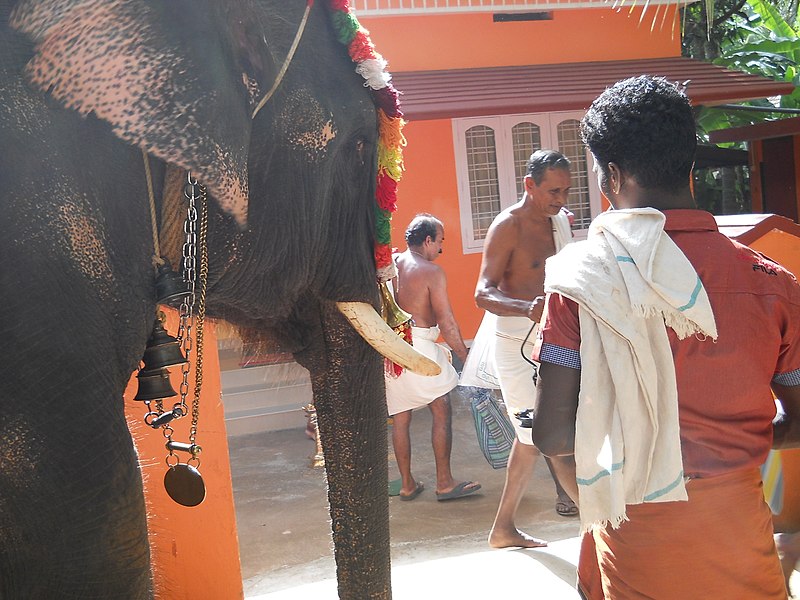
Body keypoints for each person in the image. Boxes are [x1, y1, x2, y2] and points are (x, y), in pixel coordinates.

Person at [531, 75, 800, 599]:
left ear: (611, 173)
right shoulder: (773, 284)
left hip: (636, 531)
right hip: (740, 526)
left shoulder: (582, 280)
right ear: (689, 164)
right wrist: (740, 436)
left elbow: (554, 437)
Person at [474, 149, 579, 550]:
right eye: (553, 190)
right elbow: (482, 293)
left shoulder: (561, 223)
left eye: (567, 191)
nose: (561, 199)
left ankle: (503, 529)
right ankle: (603, 527)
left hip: (556, 339)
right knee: (548, 434)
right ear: (529, 185)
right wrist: (526, 308)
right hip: (515, 344)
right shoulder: (508, 226)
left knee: (533, 436)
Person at [386, 214, 481, 501]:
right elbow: (447, 322)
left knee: (401, 417)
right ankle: (444, 482)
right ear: (427, 240)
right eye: (440, 241)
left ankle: (406, 484)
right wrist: (466, 356)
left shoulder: (391, 265)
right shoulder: (431, 272)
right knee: (441, 408)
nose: (441, 249)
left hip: (392, 350)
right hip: (420, 348)